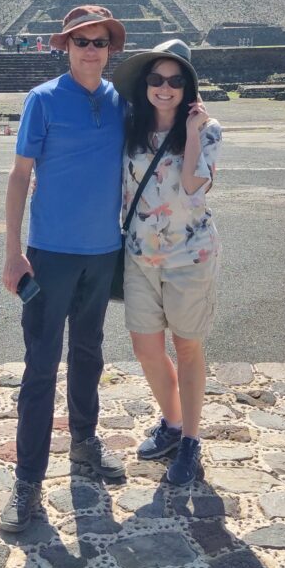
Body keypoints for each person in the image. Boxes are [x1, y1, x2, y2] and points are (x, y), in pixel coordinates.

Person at [0, 5, 128, 532]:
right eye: (81, 43)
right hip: (50, 251)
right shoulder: (44, 100)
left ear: (110, 48)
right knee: (40, 365)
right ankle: (28, 480)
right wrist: (14, 250)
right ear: (66, 47)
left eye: (99, 42)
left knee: (89, 353)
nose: (91, 51)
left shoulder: (122, 101)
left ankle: (84, 444)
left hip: (102, 251)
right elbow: (18, 175)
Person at [111, 40, 222, 486]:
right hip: (140, 256)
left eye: (175, 81)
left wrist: (192, 132)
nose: (164, 88)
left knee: (188, 346)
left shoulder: (209, 129)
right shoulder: (130, 126)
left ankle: (190, 441)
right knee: (146, 349)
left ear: (187, 87)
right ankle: (173, 424)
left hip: (189, 255)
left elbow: (196, 184)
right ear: (145, 85)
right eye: (156, 79)